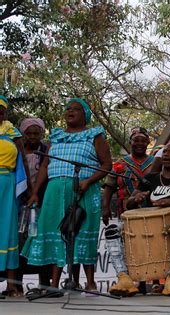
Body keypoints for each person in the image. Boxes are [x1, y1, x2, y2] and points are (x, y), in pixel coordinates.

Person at [22, 98, 112, 295]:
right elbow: (45, 166)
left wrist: (88, 182)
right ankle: (54, 285)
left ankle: (90, 283)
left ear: (85, 114)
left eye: (76, 109)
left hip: (83, 189)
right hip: (54, 190)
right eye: (68, 108)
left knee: (81, 233)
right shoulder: (56, 136)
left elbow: (107, 165)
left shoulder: (94, 135)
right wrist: (36, 192)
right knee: (55, 233)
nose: (70, 111)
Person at [127, 142, 170, 296]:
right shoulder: (150, 178)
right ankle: (135, 279)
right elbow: (129, 203)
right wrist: (136, 198)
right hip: (149, 228)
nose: (166, 155)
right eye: (164, 152)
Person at [102, 127, 154, 296]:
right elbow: (110, 186)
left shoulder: (155, 162)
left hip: (151, 211)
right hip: (126, 211)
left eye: (143, 140)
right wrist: (105, 207)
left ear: (147, 143)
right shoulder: (120, 164)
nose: (139, 143)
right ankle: (129, 280)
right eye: (135, 140)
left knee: (148, 245)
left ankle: (144, 281)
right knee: (128, 246)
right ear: (130, 142)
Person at [16, 118, 51, 294]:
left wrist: (36, 193)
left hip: (42, 202)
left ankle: (44, 283)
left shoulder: (46, 151)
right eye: (28, 133)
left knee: (40, 240)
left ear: (42, 134)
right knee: (19, 242)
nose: (32, 137)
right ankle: (17, 284)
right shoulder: (17, 151)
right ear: (22, 134)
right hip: (20, 202)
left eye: (36, 133)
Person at [0, 96, 30, 297]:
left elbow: (24, 161)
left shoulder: (12, 133)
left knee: (9, 231)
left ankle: (11, 285)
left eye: (1, 110)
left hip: (8, 185)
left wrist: (29, 190)